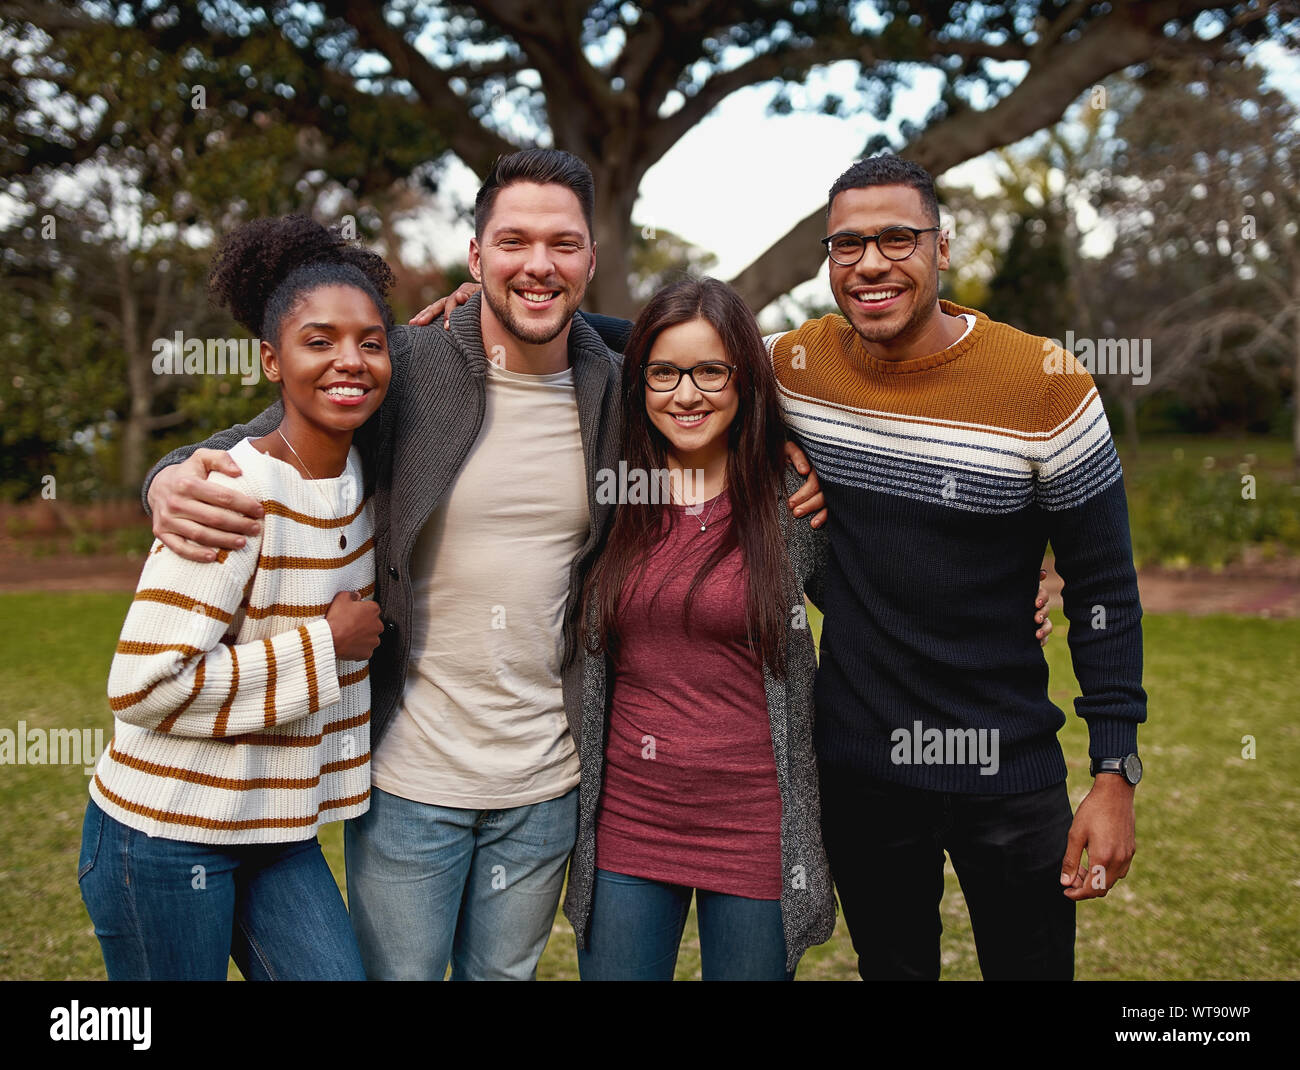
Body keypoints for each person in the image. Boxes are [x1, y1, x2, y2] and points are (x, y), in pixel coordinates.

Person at [138, 149, 827, 980]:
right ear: (475, 257)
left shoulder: (616, 395)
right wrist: (165, 478)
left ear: (591, 261)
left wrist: (774, 437)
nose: (538, 265)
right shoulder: (402, 367)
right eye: (514, 242)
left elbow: (701, 359)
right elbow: (272, 428)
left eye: (563, 245)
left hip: (546, 783)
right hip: (406, 776)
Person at [766, 155, 1146, 980]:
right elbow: (665, 348)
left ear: (943, 248)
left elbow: (1106, 589)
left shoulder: (1044, 384)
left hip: (1007, 764)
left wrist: (1116, 771)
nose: (871, 263)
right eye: (847, 245)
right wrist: (482, 311)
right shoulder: (794, 367)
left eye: (898, 238)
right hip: (862, 768)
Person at [78, 215, 391, 980]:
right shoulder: (230, 494)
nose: (348, 360)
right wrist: (326, 646)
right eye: (317, 341)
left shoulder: (366, 482)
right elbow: (143, 686)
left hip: (275, 831)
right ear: (271, 360)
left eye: (371, 342)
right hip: (162, 834)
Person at [563, 277, 837, 981]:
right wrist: (472, 303)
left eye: (711, 370)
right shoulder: (613, 491)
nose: (687, 395)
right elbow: (559, 331)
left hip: (756, 826)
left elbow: (883, 595)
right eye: (664, 373)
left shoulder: (791, 501)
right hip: (629, 820)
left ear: (744, 377)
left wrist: (1021, 585)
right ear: (640, 382)